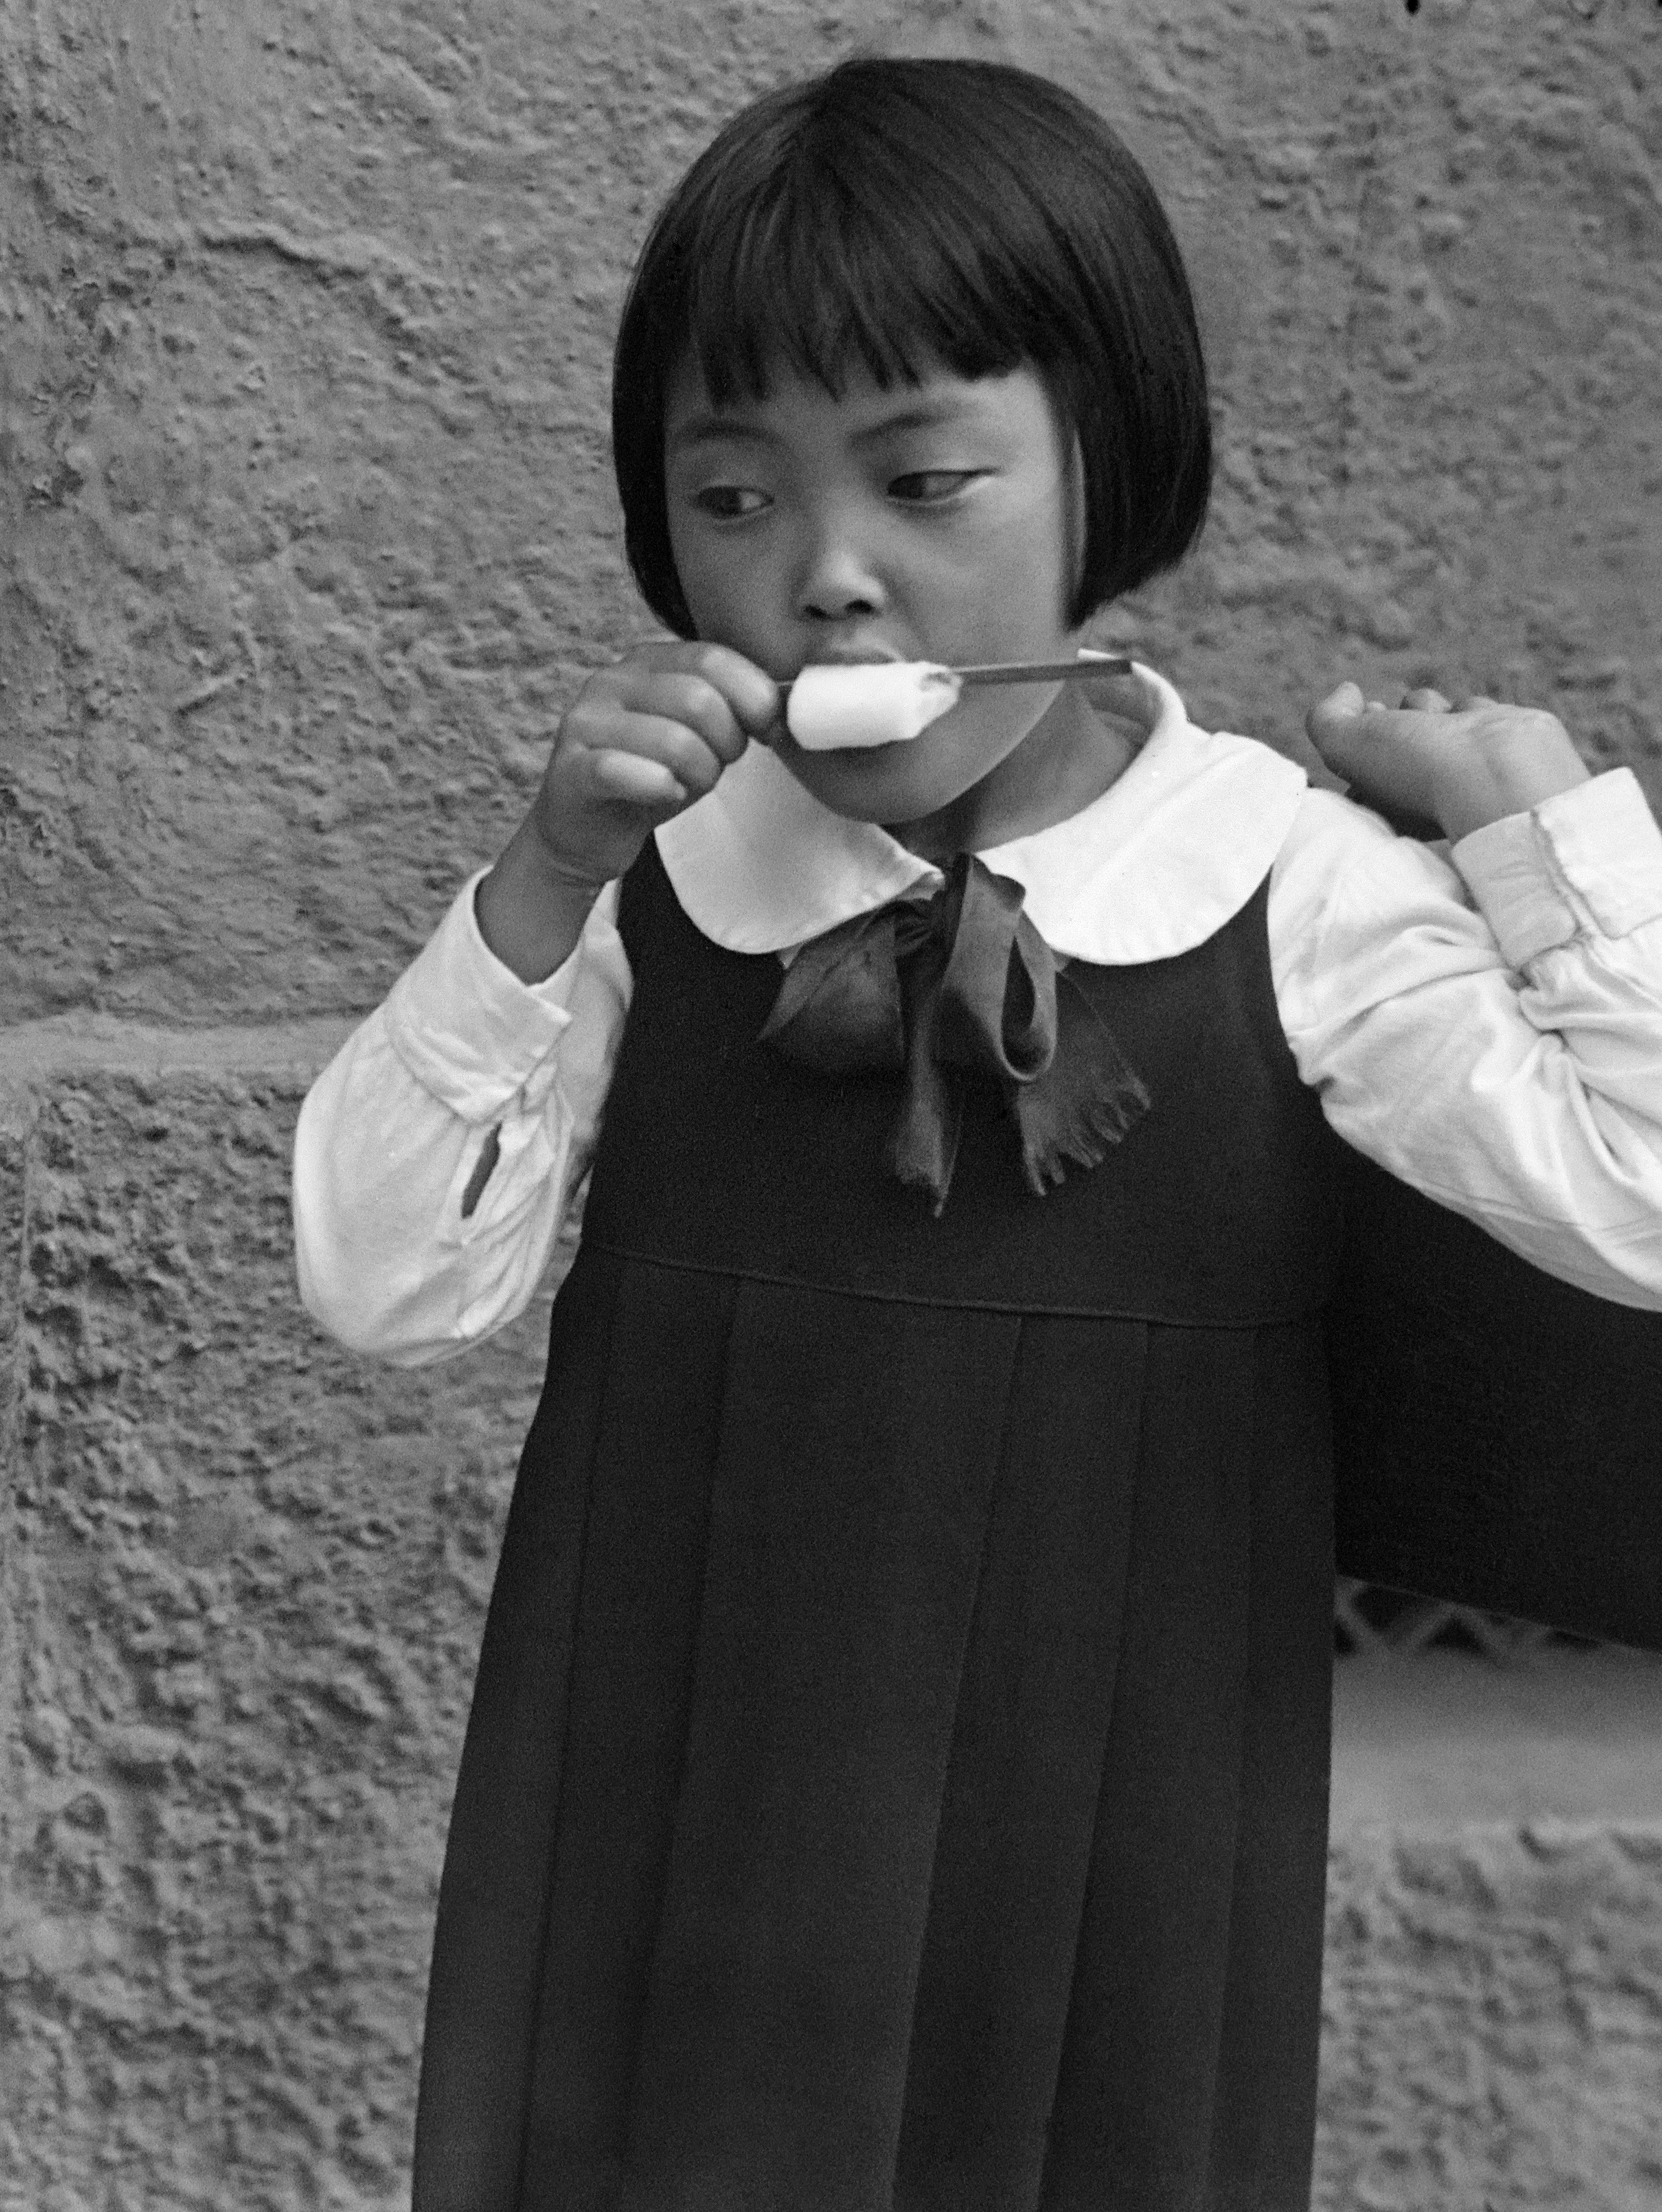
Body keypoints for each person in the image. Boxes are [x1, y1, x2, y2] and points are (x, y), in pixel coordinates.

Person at [292, 57, 1662, 2212]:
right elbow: (380, 1284)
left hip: (1108, 1826)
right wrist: (535, 888)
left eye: (921, 484)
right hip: (686, 1790)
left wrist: (1548, 845)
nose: (824, 580)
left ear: (1108, 482)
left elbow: (1642, 1204)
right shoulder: (656, 888)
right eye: (729, 501)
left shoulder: (1284, 891)